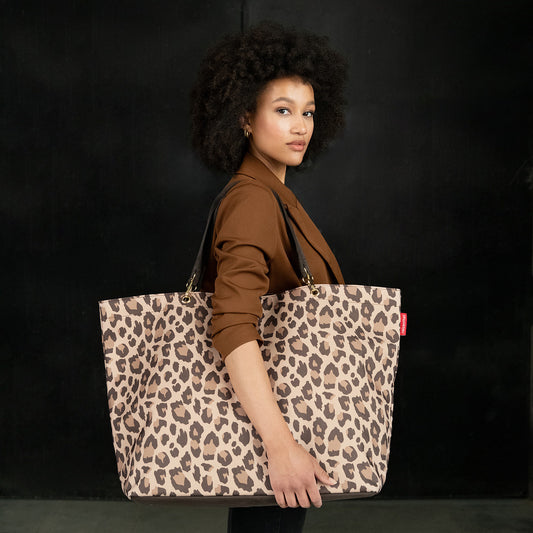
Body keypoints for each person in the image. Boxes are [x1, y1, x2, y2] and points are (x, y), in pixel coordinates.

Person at [190, 21, 347, 533]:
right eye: (282, 110)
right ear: (244, 117)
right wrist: (280, 448)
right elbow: (233, 325)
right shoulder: (253, 201)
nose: (300, 126)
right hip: (273, 431)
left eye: (308, 112)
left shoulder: (274, 195)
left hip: (282, 419)